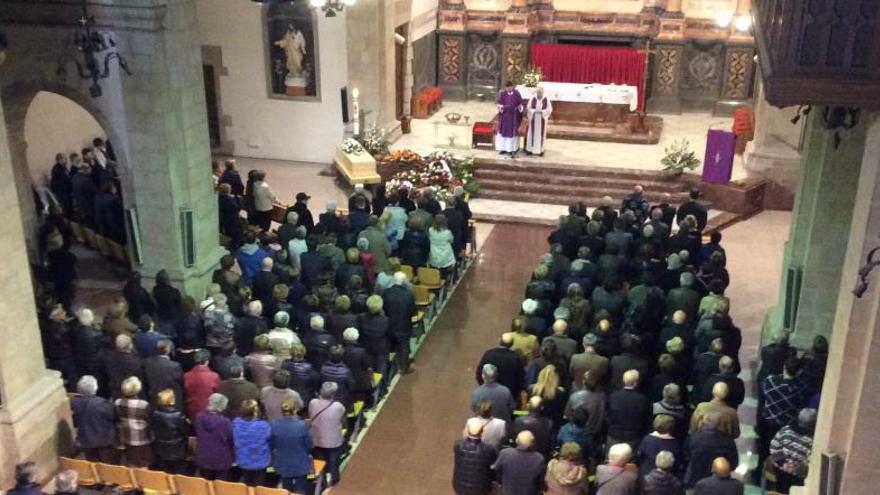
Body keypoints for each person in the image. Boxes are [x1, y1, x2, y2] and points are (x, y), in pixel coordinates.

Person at [682, 413, 738, 488]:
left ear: (705, 422)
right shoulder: (728, 441)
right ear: (719, 423)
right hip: (719, 483)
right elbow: (734, 463)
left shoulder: (693, 438)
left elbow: (685, 457)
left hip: (695, 479)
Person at [769, 408, 816, 493]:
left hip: (782, 469)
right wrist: (794, 467)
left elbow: (774, 447)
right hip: (797, 475)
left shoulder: (785, 430)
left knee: (781, 489)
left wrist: (784, 463)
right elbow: (811, 458)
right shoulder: (812, 439)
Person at [309, 382, 347, 486]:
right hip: (333, 441)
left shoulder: (313, 402)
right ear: (333, 394)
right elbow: (342, 419)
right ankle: (334, 478)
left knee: (320, 459)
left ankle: (322, 479)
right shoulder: (338, 406)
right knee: (334, 460)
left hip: (316, 439)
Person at [271, 400, 313, 494]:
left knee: (286, 489)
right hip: (300, 463)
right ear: (295, 410)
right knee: (300, 489)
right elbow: (309, 446)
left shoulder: (274, 424)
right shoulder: (302, 425)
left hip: (282, 463)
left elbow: (272, 445)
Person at [70, 375, 116, 462]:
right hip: (104, 440)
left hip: (86, 440)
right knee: (106, 464)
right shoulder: (101, 403)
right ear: (95, 388)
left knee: (92, 463)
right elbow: (113, 416)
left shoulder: (74, 403)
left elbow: (75, 420)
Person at [607, 370, 651, 451]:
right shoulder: (643, 400)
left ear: (623, 381)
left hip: (614, 436)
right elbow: (646, 421)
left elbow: (607, 416)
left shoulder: (613, 397)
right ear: (636, 383)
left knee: (611, 461)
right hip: (633, 438)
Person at [194, 393, 235, 480]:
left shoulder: (199, 417)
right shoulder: (225, 422)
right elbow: (231, 440)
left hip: (203, 457)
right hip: (221, 459)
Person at [383, 272, 417, 374]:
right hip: (404, 326)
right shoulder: (408, 294)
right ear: (404, 282)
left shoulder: (386, 292)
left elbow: (383, 308)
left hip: (389, 325)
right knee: (404, 346)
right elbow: (413, 311)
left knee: (391, 344)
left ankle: (391, 367)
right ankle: (404, 367)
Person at [115, 377, 153, 467]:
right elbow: (149, 420)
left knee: (130, 460)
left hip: (126, 437)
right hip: (142, 438)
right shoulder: (143, 404)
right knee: (143, 463)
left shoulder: (118, 402)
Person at [232, 399, 272, 486]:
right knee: (258, 487)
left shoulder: (236, 423)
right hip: (260, 462)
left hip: (243, 461)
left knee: (246, 484)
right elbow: (270, 441)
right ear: (255, 411)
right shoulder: (263, 425)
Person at [453, 421, 499, 495]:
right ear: (481, 431)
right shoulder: (488, 449)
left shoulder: (459, 445)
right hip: (481, 487)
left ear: (468, 431)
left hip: (460, 485)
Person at [492, 431, 545, 495]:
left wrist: (501, 482)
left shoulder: (505, 453)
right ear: (532, 443)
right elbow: (540, 482)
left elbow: (496, 469)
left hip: (507, 491)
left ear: (517, 441)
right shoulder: (539, 458)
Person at [475, 333, 524, 400]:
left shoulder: (489, 354)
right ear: (512, 344)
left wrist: (484, 387)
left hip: (489, 393)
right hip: (509, 395)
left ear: (500, 342)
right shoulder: (516, 358)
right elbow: (520, 378)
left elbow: (479, 373)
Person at [150, 389, 189, 474]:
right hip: (177, 448)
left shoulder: (155, 414)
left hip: (161, 448)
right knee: (179, 472)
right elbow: (184, 431)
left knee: (167, 471)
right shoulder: (178, 415)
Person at [637, 415, 680, 482]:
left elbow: (640, 456)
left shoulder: (647, 439)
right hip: (667, 477)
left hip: (646, 474)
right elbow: (677, 463)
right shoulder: (675, 443)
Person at [142, 339, 184, 408]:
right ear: (168, 350)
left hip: (152, 400)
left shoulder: (146, 362)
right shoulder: (175, 366)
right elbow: (180, 384)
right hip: (169, 402)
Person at [184, 349, 221, 421]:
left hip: (191, 412)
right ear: (207, 361)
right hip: (209, 412)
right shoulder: (214, 376)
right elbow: (218, 395)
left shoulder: (186, 375)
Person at [495, 80, 523, 157]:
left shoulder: (517, 93)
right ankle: (503, 149)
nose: (508, 89)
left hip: (513, 117)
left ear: (512, 87)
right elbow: (498, 103)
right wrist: (501, 107)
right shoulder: (502, 93)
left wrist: (519, 108)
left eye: (510, 87)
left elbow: (520, 104)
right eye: (507, 88)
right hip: (505, 116)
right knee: (503, 132)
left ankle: (512, 149)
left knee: (512, 133)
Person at [524, 86, 552, 156]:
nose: (539, 95)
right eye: (538, 93)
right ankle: (530, 150)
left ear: (543, 93)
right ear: (536, 93)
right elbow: (528, 108)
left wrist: (543, 112)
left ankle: (540, 150)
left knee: (541, 135)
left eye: (541, 93)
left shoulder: (546, 99)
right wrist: (533, 111)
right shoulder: (532, 98)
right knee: (531, 134)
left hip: (542, 119)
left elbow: (549, 109)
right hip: (534, 118)